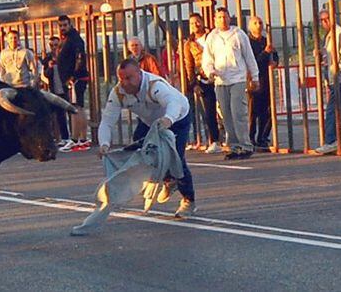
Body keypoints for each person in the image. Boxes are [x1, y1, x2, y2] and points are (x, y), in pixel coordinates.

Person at [97, 58, 196, 217]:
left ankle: (188, 200)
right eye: (121, 78)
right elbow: (107, 121)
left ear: (139, 73)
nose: (124, 83)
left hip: (177, 118)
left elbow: (174, 103)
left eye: (129, 78)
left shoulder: (155, 86)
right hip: (149, 122)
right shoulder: (118, 93)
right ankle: (167, 180)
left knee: (175, 158)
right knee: (138, 150)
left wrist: (168, 119)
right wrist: (104, 144)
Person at [202, 7, 260, 159]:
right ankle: (233, 146)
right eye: (219, 17)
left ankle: (245, 145)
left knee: (238, 112)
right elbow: (207, 59)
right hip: (221, 81)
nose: (222, 20)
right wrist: (210, 72)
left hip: (237, 79)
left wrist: (255, 77)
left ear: (230, 18)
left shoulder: (238, 35)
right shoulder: (212, 37)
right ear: (215, 20)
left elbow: (249, 57)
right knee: (226, 114)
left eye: (225, 17)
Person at [314, 10, 341, 155]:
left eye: (327, 19)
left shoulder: (340, 34)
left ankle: (331, 141)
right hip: (333, 78)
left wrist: (337, 69)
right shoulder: (329, 36)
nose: (325, 22)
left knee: (332, 109)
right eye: (322, 20)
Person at [183, 12, 220, 152]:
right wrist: (194, 84)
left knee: (226, 109)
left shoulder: (213, 36)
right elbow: (189, 65)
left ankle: (231, 137)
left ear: (203, 21)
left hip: (220, 75)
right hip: (203, 79)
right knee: (209, 112)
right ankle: (214, 140)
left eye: (197, 21)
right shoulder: (189, 44)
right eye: (192, 23)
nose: (195, 25)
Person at [56, 15, 90, 150]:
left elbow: (80, 58)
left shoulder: (74, 39)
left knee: (76, 108)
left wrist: (73, 76)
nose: (63, 28)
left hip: (76, 78)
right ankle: (82, 139)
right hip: (73, 77)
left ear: (70, 24)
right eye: (61, 25)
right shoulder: (67, 39)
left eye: (65, 25)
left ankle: (76, 139)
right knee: (78, 107)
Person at [247, 16, 279, 152]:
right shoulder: (248, 42)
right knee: (253, 111)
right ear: (250, 26)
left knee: (268, 110)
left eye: (260, 22)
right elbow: (253, 61)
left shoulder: (267, 41)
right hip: (254, 80)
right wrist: (265, 53)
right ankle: (250, 138)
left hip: (267, 79)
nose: (258, 25)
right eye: (255, 23)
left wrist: (275, 61)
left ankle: (263, 137)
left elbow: (275, 56)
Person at [41, 36, 74, 148]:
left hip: (66, 88)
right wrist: (50, 67)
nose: (54, 47)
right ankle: (63, 137)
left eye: (56, 45)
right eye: (51, 45)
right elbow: (45, 74)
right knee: (58, 115)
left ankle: (73, 137)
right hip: (54, 89)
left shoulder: (65, 56)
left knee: (71, 111)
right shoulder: (48, 58)